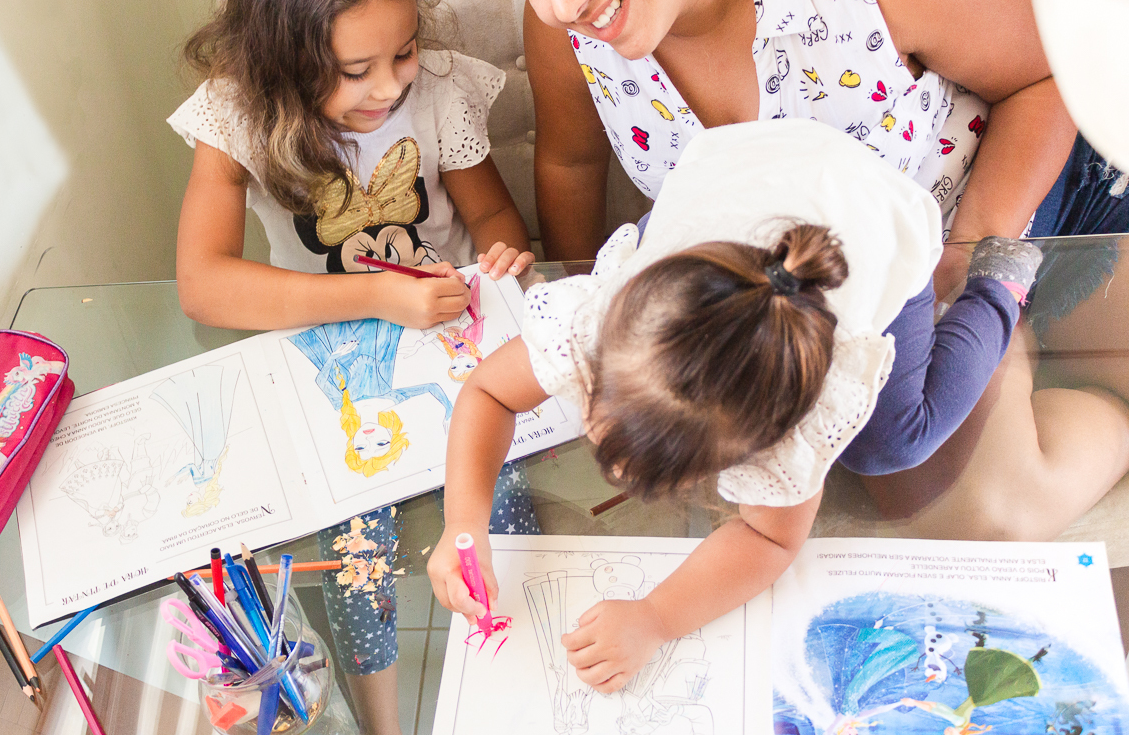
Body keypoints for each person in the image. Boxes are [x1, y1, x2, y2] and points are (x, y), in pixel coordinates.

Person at [477, 0, 1129, 534]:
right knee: (946, 500)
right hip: (817, 299)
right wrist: (612, 344)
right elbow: (570, 165)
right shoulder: (571, 30)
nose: (562, 4)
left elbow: (1048, 78)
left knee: (965, 495)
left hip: (1013, 212)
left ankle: (1047, 345)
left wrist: (964, 260)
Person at [428, 120, 1068, 694]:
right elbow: (487, 391)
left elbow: (769, 539)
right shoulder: (595, 325)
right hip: (743, 169)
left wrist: (656, 618)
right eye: (601, 412)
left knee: (893, 444)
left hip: (878, 215)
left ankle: (998, 287)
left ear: (755, 447)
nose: (613, 471)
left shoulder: (798, 414)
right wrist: (464, 524)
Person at [165, 0, 538, 731]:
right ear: (280, 64)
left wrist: (505, 256)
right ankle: (382, 722)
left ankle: (515, 692)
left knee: (502, 510)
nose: (391, 85)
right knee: (356, 560)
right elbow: (202, 285)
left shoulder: (438, 91)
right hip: (332, 358)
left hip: (456, 346)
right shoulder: (235, 113)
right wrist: (374, 296)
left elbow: (493, 216)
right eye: (356, 69)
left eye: (402, 52)